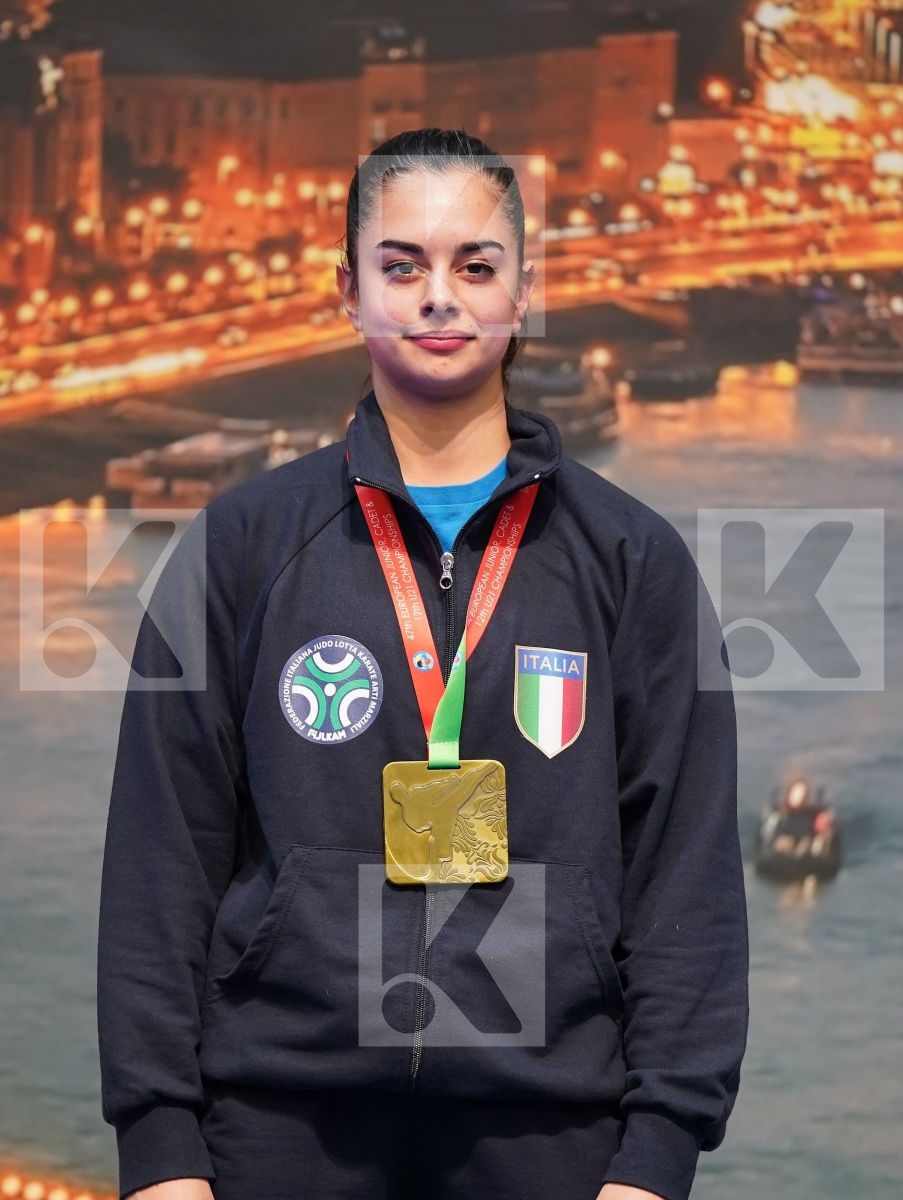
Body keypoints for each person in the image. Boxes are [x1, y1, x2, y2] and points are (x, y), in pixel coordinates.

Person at [96, 127, 749, 1200]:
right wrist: (159, 1150)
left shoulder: (633, 563)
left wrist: (659, 1153)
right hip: (274, 1128)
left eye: (474, 265)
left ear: (523, 291)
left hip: (559, 1137)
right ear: (346, 290)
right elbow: (161, 860)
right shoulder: (241, 545)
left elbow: (686, 877)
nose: (438, 297)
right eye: (401, 265)